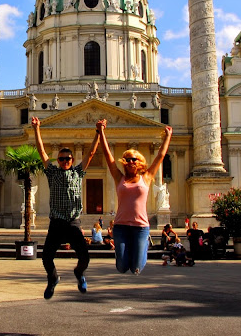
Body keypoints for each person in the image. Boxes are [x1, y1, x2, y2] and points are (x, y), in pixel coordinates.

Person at [32, 116, 101, 299]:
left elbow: (91, 153)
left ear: (72, 159)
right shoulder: (52, 173)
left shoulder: (78, 172)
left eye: (67, 159)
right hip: (56, 223)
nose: (64, 161)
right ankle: (53, 278)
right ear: (58, 160)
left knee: (84, 257)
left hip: (72, 222)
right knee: (46, 257)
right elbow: (42, 152)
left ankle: (79, 273)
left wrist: (98, 133)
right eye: (62, 159)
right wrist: (37, 129)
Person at [96, 118, 172, 275]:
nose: (131, 161)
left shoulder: (147, 177)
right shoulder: (119, 177)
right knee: (122, 267)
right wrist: (101, 132)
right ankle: (131, 251)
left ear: (140, 162)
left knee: (136, 268)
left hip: (140, 227)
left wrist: (168, 137)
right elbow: (108, 155)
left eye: (134, 159)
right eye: (127, 159)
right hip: (121, 226)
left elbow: (160, 155)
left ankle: (141, 249)